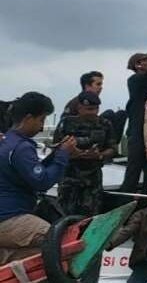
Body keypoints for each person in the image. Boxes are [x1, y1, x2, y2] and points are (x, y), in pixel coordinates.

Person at [0, 92, 77, 262]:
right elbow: (42, 182)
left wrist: (54, 157)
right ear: (28, 118)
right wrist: (63, 155)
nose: (42, 127)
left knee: (38, 255)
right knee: (63, 240)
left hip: (6, 217)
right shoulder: (21, 148)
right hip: (10, 219)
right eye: (41, 120)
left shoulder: (7, 142)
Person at [53, 92, 116, 216]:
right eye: (89, 109)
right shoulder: (66, 123)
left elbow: (113, 148)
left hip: (93, 179)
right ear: (79, 108)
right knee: (65, 215)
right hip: (70, 177)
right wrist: (73, 154)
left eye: (96, 109)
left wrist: (99, 155)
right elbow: (56, 148)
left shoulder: (105, 124)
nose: (93, 112)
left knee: (90, 216)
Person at [121, 53, 147, 193]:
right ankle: (123, 204)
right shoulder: (134, 80)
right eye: (146, 60)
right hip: (137, 133)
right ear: (138, 64)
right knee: (133, 172)